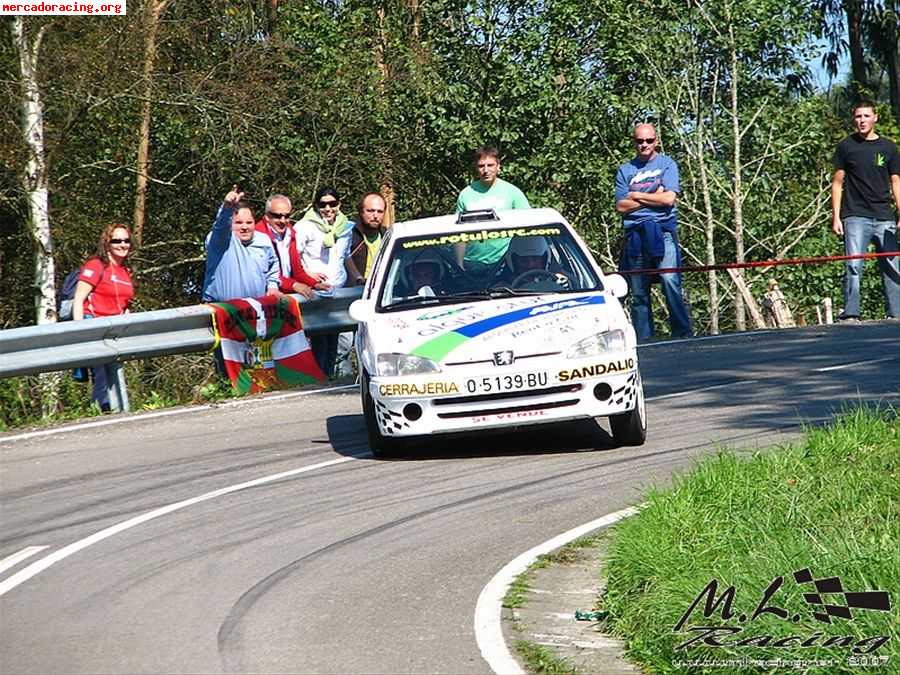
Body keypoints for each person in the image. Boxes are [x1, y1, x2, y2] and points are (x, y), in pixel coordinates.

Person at [615, 123, 693, 341]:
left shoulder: (667, 164)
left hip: (662, 231)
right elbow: (621, 206)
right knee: (639, 291)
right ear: (634, 142)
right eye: (640, 141)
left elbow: (669, 198)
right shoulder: (625, 170)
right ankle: (645, 340)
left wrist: (637, 196)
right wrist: (653, 195)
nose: (645, 145)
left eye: (649, 140)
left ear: (656, 141)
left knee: (669, 279)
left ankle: (682, 333)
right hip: (635, 236)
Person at [830, 100, 900, 321]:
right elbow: (837, 183)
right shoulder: (846, 146)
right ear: (854, 119)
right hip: (855, 215)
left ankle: (896, 314)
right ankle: (851, 313)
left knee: (892, 266)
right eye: (858, 116)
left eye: (866, 116)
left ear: (875, 117)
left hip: (884, 215)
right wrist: (836, 216)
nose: (862, 121)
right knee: (854, 264)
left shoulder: (888, 148)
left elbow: (896, 181)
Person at [72, 223, 135, 411]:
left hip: (114, 329)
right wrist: (79, 331)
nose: (123, 245)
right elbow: (79, 299)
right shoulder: (96, 266)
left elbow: (124, 304)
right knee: (101, 372)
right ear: (107, 243)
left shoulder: (125, 272)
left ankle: (114, 409)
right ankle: (104, 408)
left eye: (126, 241)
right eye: (117, 240)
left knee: (113, 371)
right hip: (94, 323)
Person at [294, 186, 353, 377]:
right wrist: (308, 275)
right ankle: (319, 376)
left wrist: (358, 276)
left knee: (334, 338)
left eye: (332, 204)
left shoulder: (346, 227)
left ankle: (331, 376)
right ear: (316, 206)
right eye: (323, 204)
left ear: (339, 204)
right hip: (316, 291)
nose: (328, 209)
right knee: (320, 339)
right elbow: (294, 256)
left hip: (337, 289)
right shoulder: (304, 227)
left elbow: (346, 256)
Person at [455, 146, 530, 280]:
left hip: (506, 264)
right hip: (471, 264)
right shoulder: (466, 194)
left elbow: (530, 230)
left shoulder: (513, 193)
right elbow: (459, 234)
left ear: (498, 166)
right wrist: (459, 264)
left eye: (490, 165)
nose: (486, 170)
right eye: (481, 166)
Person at [335, 192, 388, 377]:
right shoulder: (348, 235)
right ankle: (340, 376)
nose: (375, 215)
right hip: (350, 296)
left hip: (377, 297)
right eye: (370, 210)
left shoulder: (387, 236)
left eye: (379, 211)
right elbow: (342, 258)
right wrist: (357, 278)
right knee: (345, 341)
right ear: (360, 212)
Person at [202, 185, 281, 303]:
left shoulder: (264, 241)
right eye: (238, 223)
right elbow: (220, 226)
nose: (245, 227)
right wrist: (227, 208)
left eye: (249, 222)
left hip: (255, 311)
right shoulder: (219, 241)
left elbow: (273, 264)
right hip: (221, 311)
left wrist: (273, 285)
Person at [255, 193, 331, 299]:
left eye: (287, 216)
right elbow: (265, 274)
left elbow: (297, 270)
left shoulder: (291, 232)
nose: (282, 220)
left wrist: (315, 284)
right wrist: (294, 285)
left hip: (287, 294)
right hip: (266, 295)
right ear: (267, 216)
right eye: (277, 216)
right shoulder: (258, 236)